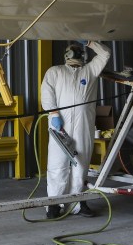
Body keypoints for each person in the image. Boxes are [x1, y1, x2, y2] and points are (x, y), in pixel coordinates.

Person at [41, 40, 111, 218]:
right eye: (74, 51)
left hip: (83, 125)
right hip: (60, 125)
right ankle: (54, 204)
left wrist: (90, 42)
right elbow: (47, 94)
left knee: (80, 164)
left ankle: (78, 203)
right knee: (58, 165)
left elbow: (105, 54)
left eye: (79, 51)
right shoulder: (55, 71)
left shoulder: (90, 70)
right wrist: (54, 114)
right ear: (67, 55)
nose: (76, 54)